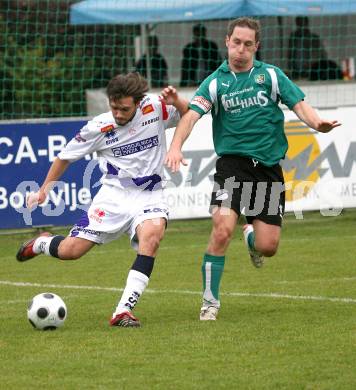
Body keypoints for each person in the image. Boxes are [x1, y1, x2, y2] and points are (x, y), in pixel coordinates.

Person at [165, 17, 341, 321]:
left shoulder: (271, 76)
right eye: (236, 43)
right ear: (227, 42)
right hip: (232, 166)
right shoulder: (215, 82)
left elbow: (300, 106)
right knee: (221, 230)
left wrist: (318, 124)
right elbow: (191, 117)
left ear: (256, 46)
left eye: (248, 44)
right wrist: (175, 146)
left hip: (268, 170)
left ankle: (251, 238)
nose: (241, 50)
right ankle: (210, 302)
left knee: (268, 246)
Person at [16, 72, 189, 327]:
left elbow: (189, 114)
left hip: (151, 193)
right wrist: (44, 190)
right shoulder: (99, 126)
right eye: (114, 107)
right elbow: (65, 157)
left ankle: (122, 311)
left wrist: (177, 100)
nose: (118, 114)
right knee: (70, 251)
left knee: (151, 237)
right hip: (113, 196)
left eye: (124, 109)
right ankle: (43, 242)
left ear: (139, 103)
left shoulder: (154, 107)